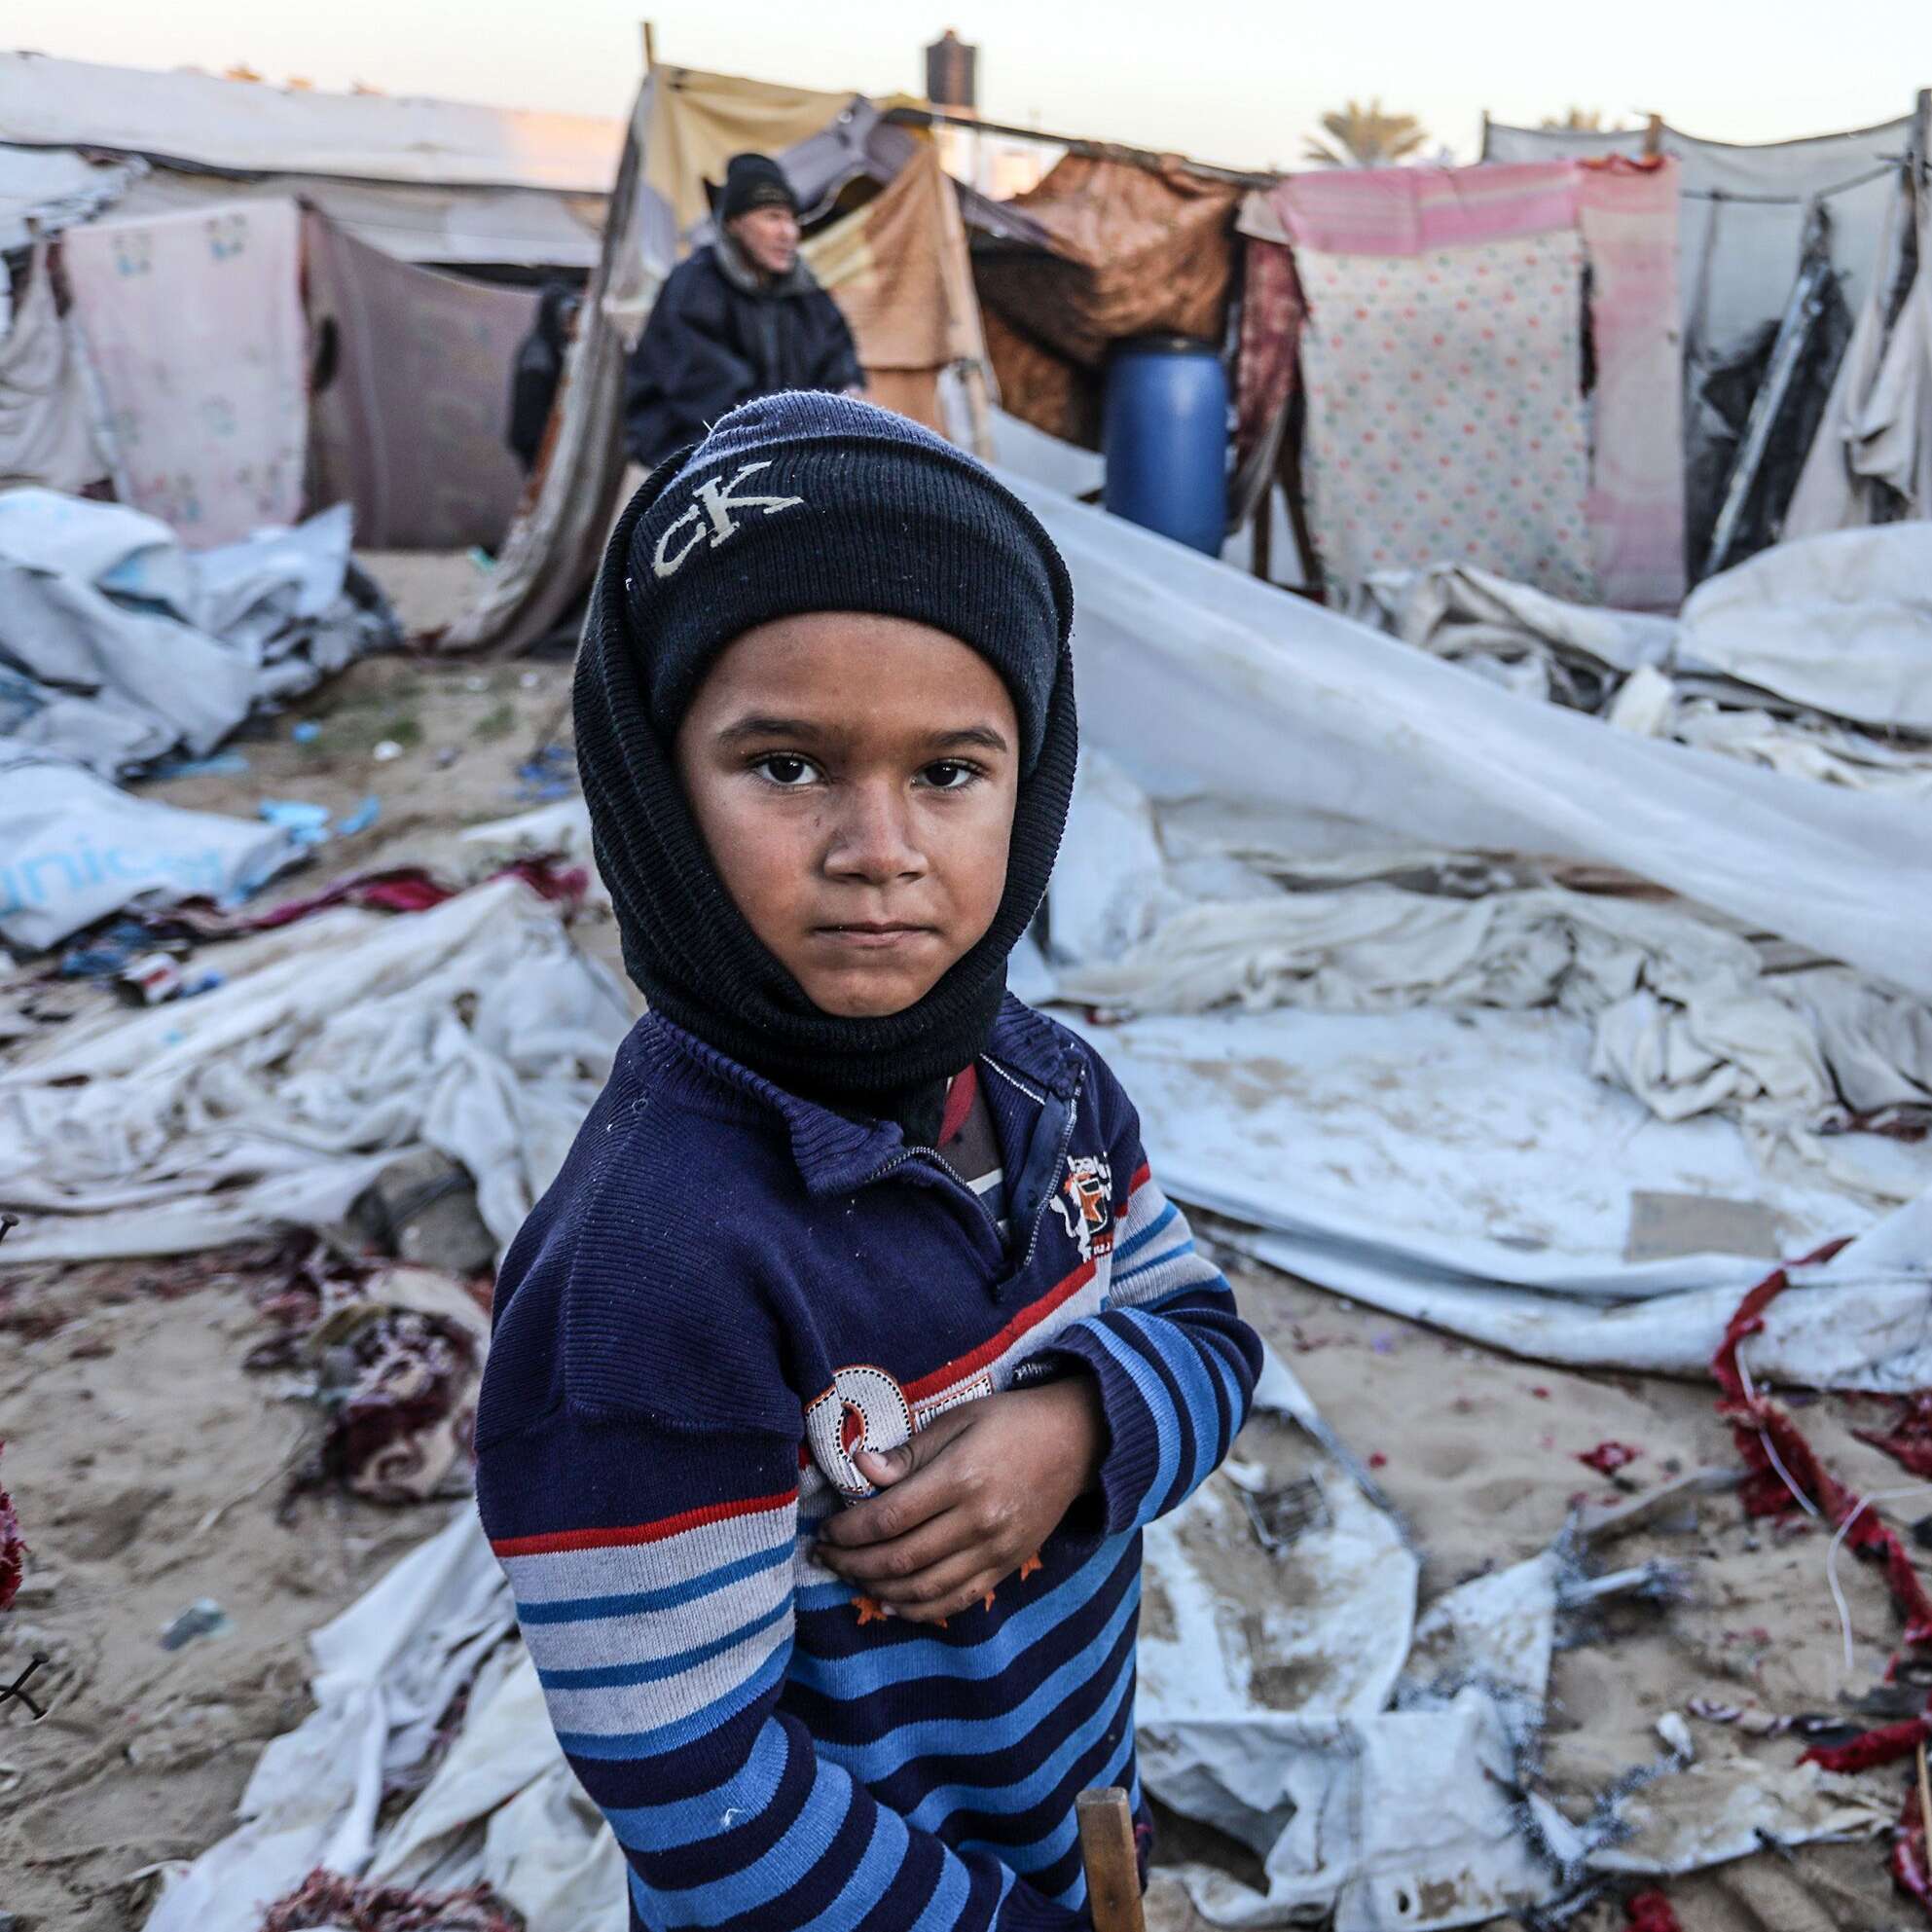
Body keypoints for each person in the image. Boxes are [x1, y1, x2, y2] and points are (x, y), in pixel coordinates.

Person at [475, 392, 1262, 1930]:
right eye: (786, 766)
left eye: (950, 772)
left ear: (1034, 778)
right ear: (651, 785)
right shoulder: (650, 1267)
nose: (878, 850)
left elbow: (1206, 1335)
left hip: (1068, 1817)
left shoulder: (1052, 1092)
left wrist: (1078, 1430)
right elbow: (697, 1794)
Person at [622, 152, 863, 468]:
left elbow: (840, 366)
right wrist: (797, 431)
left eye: (792, 219)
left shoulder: (807, 294)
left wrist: (849, 400)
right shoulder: (695, 285)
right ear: (734, 223)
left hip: (781, 452)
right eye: (773, 217)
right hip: (693, 456)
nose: (789, 233)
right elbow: (713, 395)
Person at [505, 280, 579, 472]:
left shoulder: (553, 348)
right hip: (535, 444)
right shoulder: (538, 357)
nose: (571, 326)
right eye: (567, 318)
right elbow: (531, 418)